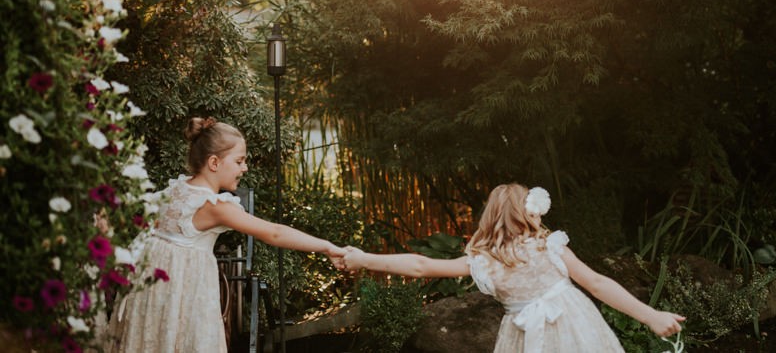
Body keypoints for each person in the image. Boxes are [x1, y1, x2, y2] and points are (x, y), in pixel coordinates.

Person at [342, 184, 685, 352]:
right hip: (560, 333)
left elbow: (420, 266)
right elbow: (595, 283)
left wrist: (363, 259)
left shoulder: (522, 250)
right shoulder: (539, 246)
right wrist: (650, 316)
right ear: (528, 210)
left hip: (549, 337)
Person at [105, 117, 346, 352]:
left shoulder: (175, 191)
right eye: (239, 161)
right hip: (184, 298)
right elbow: (274, 233)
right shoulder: (214, 206)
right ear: (214, 163)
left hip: (153, 297)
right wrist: (326, 246)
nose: (245, 168)